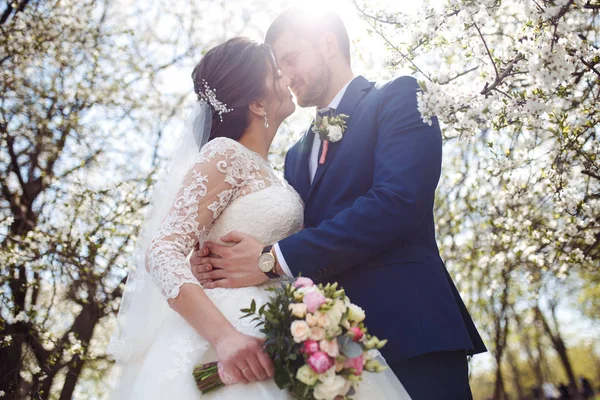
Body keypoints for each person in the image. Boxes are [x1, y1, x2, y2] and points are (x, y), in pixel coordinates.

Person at [192, 7, 487, 400]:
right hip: (327, 354)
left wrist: (271, 258)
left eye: (290, 59)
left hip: (413, 333)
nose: (283, 75)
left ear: (327, 44)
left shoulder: (400, 96)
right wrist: (215, 258)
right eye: (277, 67)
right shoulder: (295, 156)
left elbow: (398, 201)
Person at [108, 36, 409, 399]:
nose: (285, 77)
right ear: (255, 102)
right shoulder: (225, 154)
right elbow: (162, 250)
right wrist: (224, 337)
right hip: (234, 333)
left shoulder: (278, 171)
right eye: (274, 73)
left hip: (284, 330)